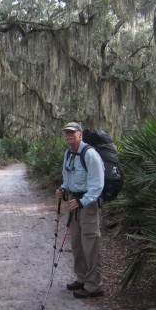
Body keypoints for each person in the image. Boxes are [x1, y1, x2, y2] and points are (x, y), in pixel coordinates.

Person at [55, 122, 105, 299]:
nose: (68, 135)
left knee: (90, 244)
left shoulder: (90, 154)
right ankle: (82, 278)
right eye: (66, 132)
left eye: (72, 132)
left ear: (80, 135)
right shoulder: (68, 154)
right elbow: (66, 177)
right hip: (73, 202)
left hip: (87, 205)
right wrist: (62, 189)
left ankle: (94, 285)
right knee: (76, 243)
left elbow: (97, 185)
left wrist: (82, 202)